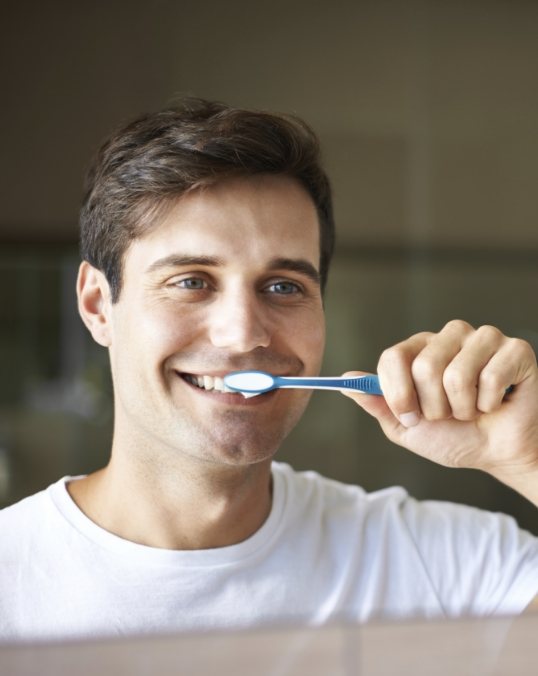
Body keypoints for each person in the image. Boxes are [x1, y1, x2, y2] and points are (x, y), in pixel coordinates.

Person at [1, 98, 537, 643]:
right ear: (97, 305)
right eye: (192, 281)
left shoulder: (443, 569)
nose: (243, 333)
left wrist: (529, 456)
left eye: (284, 287)